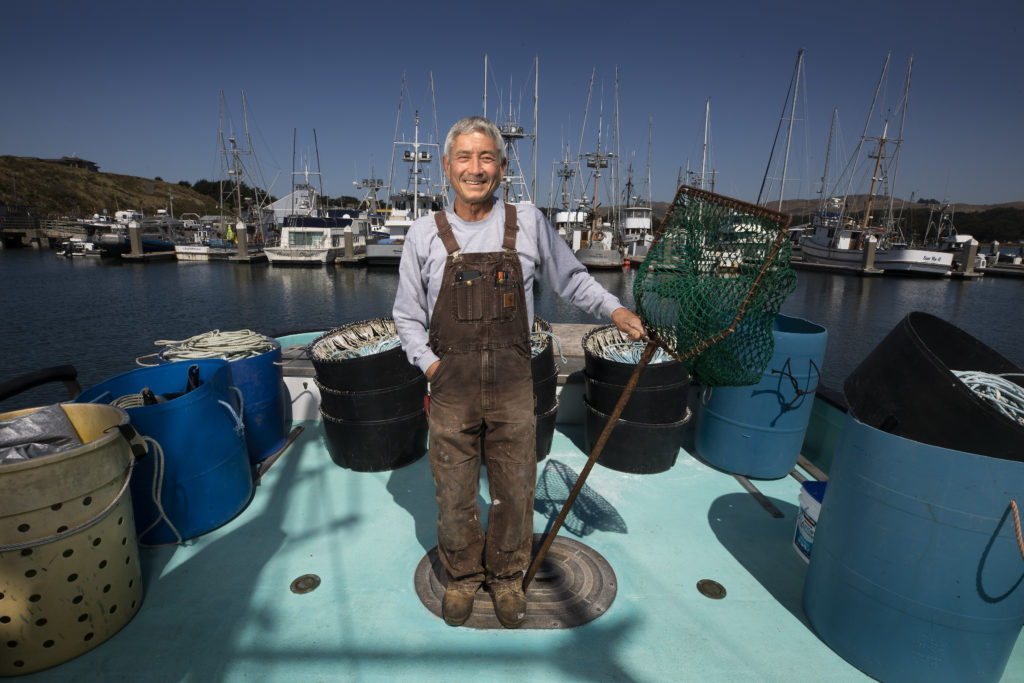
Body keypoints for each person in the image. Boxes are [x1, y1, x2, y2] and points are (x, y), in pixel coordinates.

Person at [393, 116, 644, 628]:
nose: (475, 168)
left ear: (502, 168)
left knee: (515, 486)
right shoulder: (423, 235)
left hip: (513, 386)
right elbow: (406, 316)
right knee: (455, 489)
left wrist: (615, 310)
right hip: (450, 389)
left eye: (486, 158)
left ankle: (507, 577)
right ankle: (462, 578)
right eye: (464, 157)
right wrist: (433, 366)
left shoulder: (527, 222)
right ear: (447, 167)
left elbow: (571, 280)